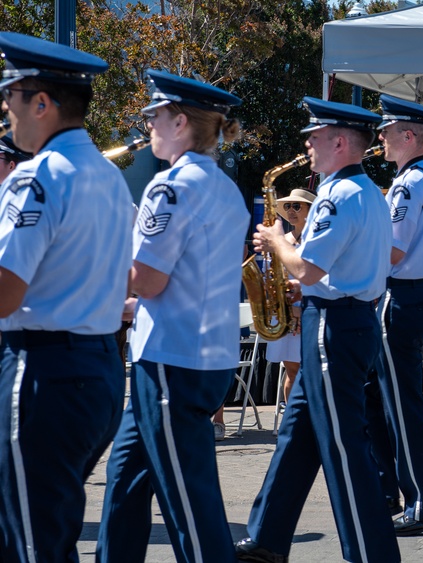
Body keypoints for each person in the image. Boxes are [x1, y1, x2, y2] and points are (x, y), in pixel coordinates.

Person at [235, 97, 400, 563]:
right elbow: (332, 269)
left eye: (316, 136)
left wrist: (276, 241)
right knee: (297, 435)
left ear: (340, 142)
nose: (307, 144)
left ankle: (371, 551)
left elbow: (308, 268)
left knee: (343, 444)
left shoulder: (338, 194)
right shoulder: (365, 191)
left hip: (334, 324)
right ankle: (266, 539)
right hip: (341, 318)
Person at [96, 69, 247, 563]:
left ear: (180, 122)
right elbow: (193, 279)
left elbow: (147, 278)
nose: (148, 126)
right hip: (198, 353)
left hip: (171, 360)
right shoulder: (224, 187)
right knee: (125, 479)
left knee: (189, 502)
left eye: (154, 116)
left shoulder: (170, 187)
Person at [0, 32, 133, 562]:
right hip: (96, 369)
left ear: (41, 103)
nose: (5, 110)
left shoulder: (34, 178)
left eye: (10, 96)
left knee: (30, 543)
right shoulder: (108, 176)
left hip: (43, 372)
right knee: (48, 533)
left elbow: (5, 292)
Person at [367, 94, 423, 536]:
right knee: (376, 397)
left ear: (406, 135)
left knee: (402, 409)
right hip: (421, 294)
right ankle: (387, 490)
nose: (380, 138)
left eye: (386, 131)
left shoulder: (408, 185)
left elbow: (393, 251)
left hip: (401, 297)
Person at [267, 188, 317, 414]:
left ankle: (312, 421)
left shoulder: (318, 238)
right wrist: (288, 310)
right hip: (285, 313)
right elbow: (272, 279)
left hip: (312, 310)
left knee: (312, 371)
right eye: (287, 206)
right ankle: (293, 419)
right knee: (292, 370)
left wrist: (302, 311)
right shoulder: (282, 241)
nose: (291, 211)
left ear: (311, 210)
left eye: (297, 206)